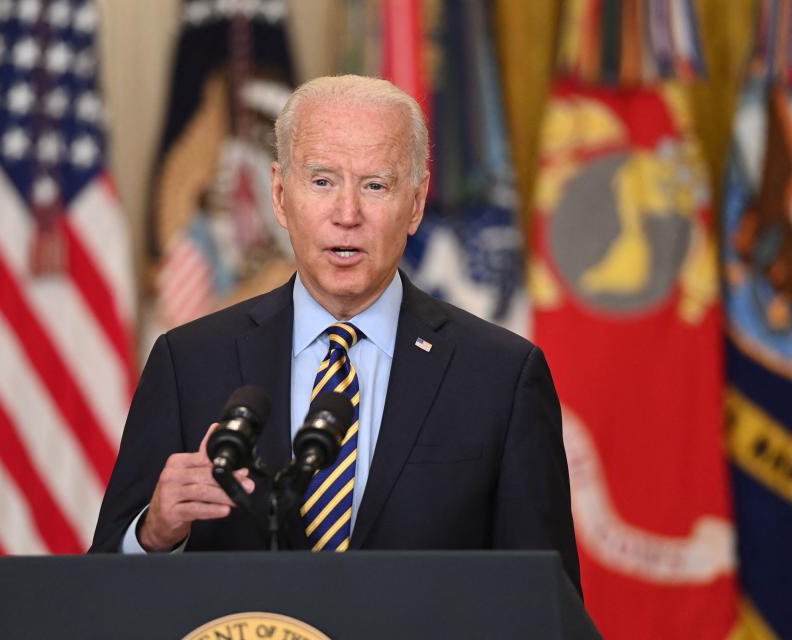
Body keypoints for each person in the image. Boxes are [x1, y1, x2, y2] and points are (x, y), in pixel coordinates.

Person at [90, 75, 581, 592]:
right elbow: (99, 594)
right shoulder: (188, 363)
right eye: (322, 181)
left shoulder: (500, 376)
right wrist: (153, 533)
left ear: (415, 204)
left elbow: (546, 604)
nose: (347, 215)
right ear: (280, 196)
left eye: (375, 185)